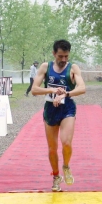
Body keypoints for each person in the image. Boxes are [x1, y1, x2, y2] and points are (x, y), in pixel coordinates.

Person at [31, 39, 86, 192]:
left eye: (66, 56)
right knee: (52, 148)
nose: (63, 60)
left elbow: (82, 88)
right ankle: (56, 176)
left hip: (67, 108)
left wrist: (66, 94)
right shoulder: (45, 67)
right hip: (50, 109)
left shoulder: (73, 68)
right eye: (60, 56)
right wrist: (52, 91)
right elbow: (34, 89)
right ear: (54, 53)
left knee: (66, 142)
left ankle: (66, 166)